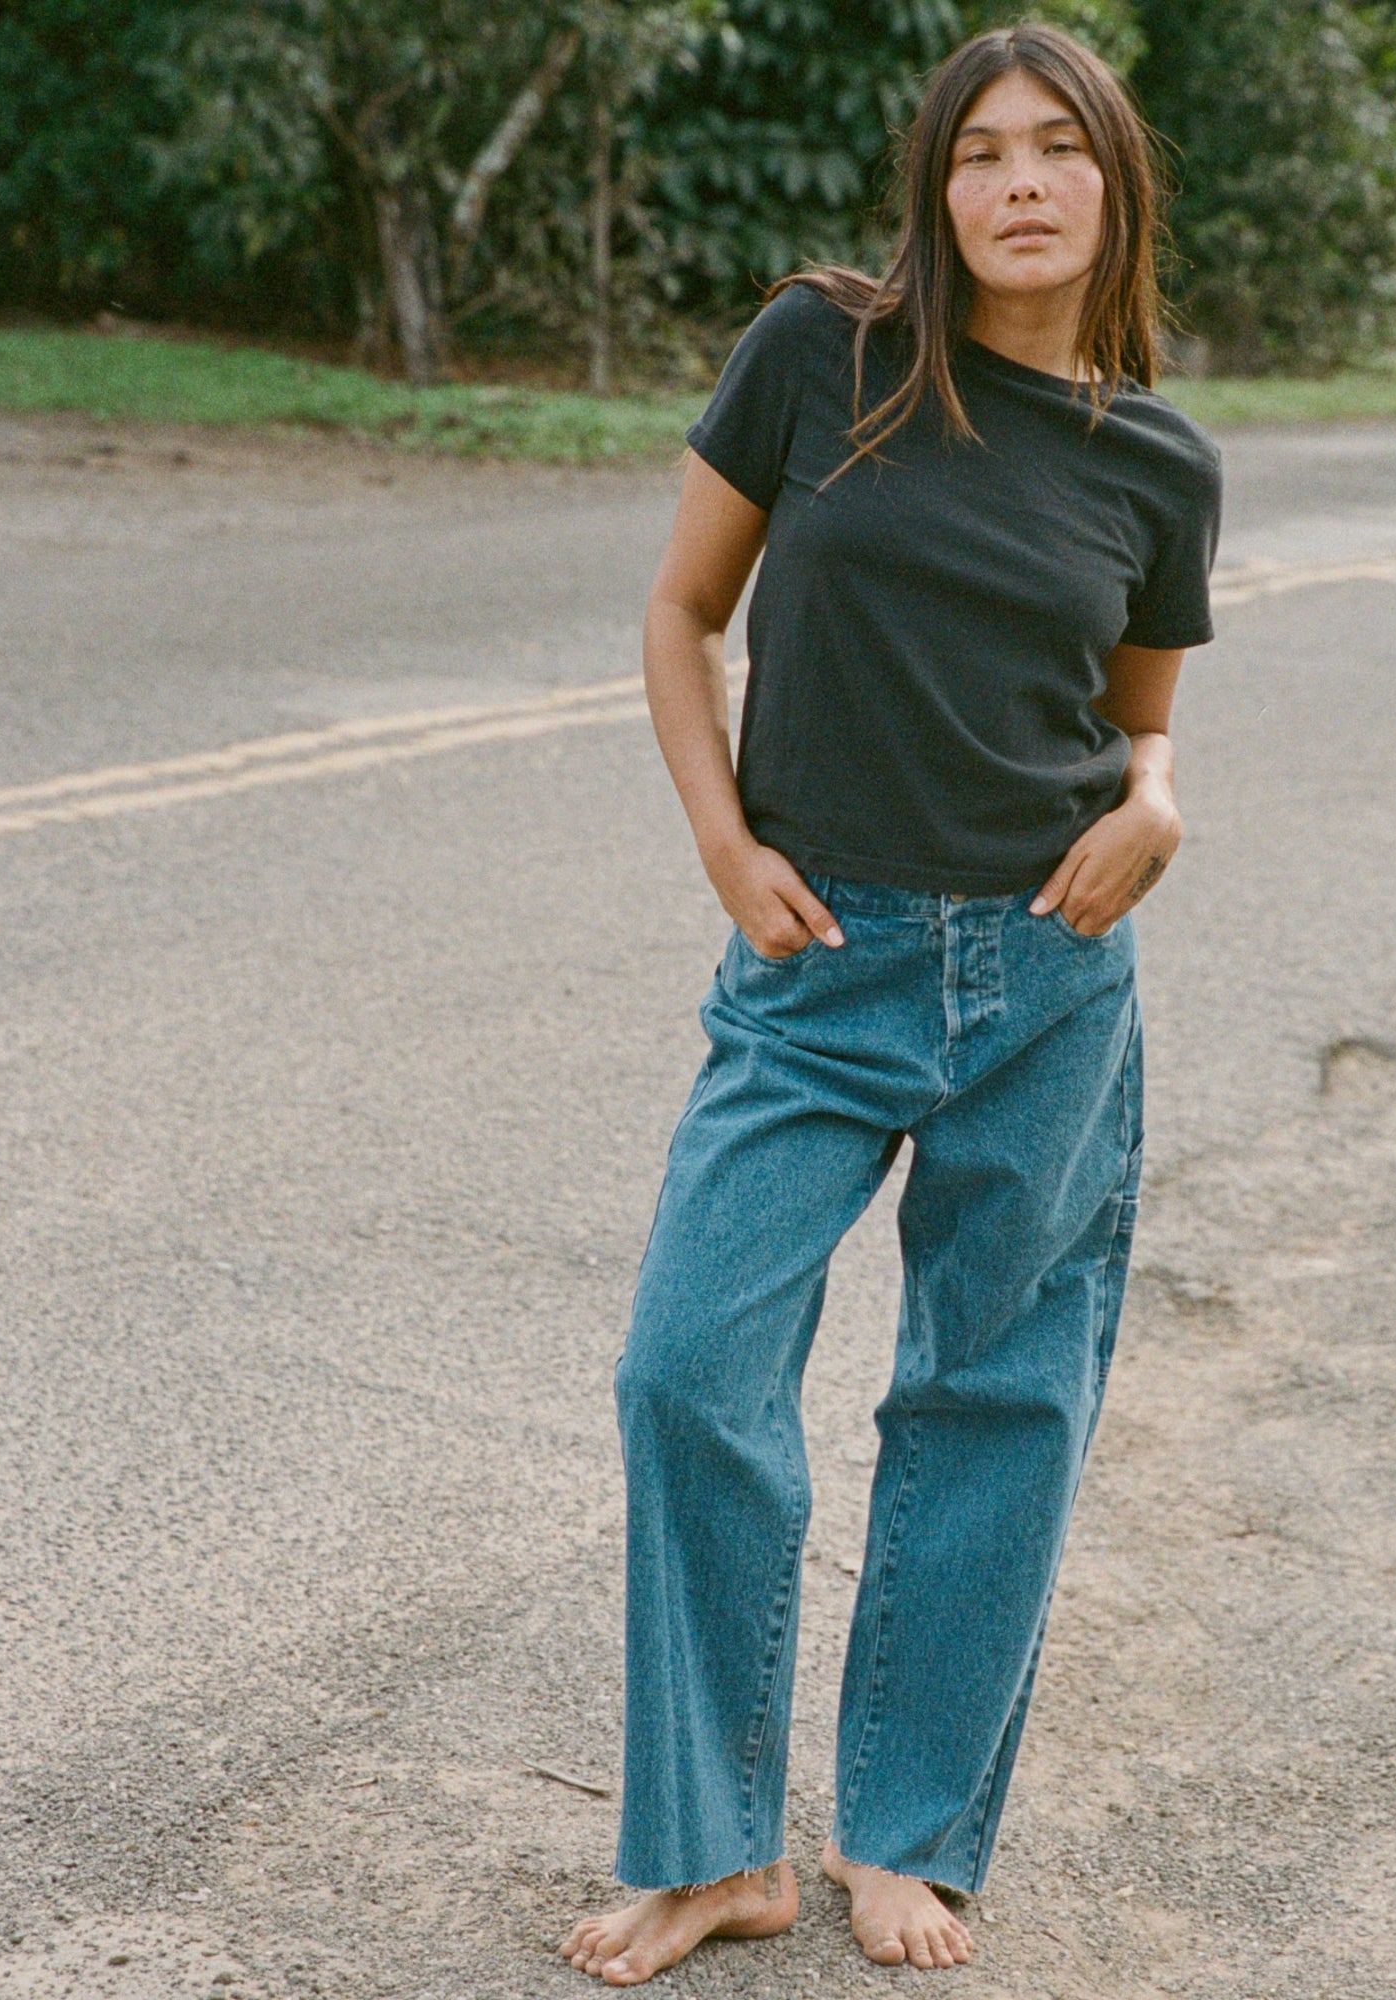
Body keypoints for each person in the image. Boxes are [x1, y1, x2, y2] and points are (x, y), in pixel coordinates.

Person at [561, 22, 1220, 1987]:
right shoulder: (816, 358)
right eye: (978, 154)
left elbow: (1142, 730)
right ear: (935, 191)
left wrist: (1162, 809)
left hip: (1045, 971)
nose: (1016, 183)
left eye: (1057, 151)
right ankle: (711, 1848)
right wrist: (716, 837)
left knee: (992, 1395)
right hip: (811, 955)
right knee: (687, 1364)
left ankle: (906, 1830)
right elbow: (682, 614)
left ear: (1114, 186)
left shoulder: (1155, 462)